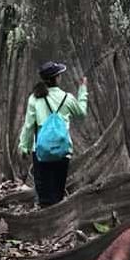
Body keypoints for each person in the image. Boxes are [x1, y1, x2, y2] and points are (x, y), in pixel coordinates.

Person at [18, 61, 88, 208]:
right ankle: (57, 217)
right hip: (62, 152)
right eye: (60, 75)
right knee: (58, 191)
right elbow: (82, 113)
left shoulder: (34, 98)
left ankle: (45, 218)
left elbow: (29, 126)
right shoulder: (67, 98)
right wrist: (83, 89)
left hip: (41, 152)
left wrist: (24, 147)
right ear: (56, 78)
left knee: (44, 194)